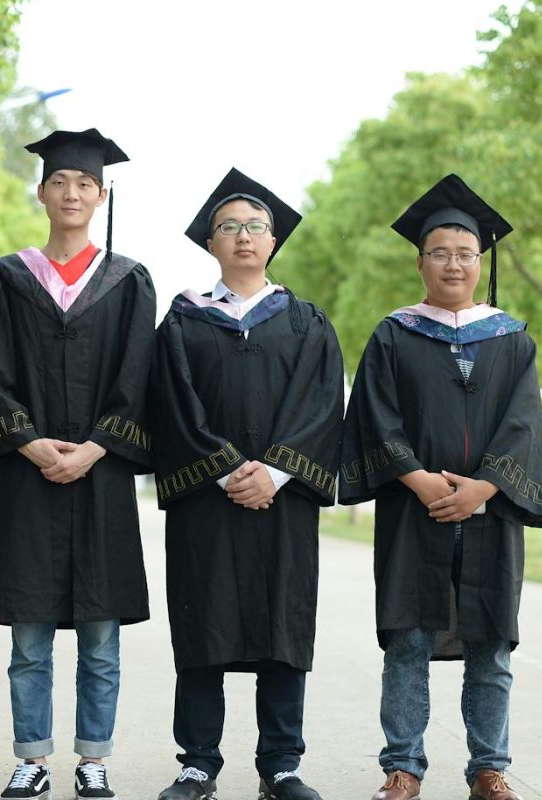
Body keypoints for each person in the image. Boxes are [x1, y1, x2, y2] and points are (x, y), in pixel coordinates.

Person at [338, 174, 542, 800]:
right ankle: (402, 766)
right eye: (440, 252)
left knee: (490, 642)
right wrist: (418, 479)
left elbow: (524, 425)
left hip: (492, 514)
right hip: (414, 510)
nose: (453, 263)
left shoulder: (511, 339)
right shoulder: (394, 334)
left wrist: (483, 488)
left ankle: (489, 767)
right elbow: (376, 414)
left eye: (464, 254)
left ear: (479, 262)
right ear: (421, 262)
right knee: (408, 637)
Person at [0, 128, 155, 800]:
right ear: (42, 192)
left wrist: (99, 446)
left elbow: (138, 377)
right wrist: (29, 441)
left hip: (100, 478)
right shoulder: (5, 278)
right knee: (29, 635)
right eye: (60, 182)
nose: (71, 192)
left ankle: (94, 758)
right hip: (26, 474)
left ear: (101, 195)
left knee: (101, 636)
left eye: (84, 184)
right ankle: (32, 758)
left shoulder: (129, 281)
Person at [148, 168, 344, 800]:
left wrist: (278, 471)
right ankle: (198, 762)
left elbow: (322, 407)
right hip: (209, 500)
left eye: (255, 227)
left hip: (282, 503)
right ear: (211, 243)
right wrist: (229, 468)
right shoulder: (181, 322)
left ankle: (281, 764)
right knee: (202, 624)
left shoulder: (309, 322)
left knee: (282, 626)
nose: (243, 237)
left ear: (273, 241)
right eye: (228, 227)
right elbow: (173, 406)